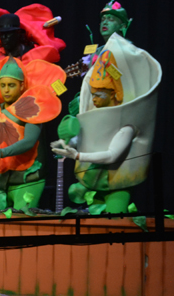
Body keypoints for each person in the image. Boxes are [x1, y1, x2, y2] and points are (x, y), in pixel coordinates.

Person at [50, 32, 161, 214]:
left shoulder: (126, 125)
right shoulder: (94, 115)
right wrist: (68, 143)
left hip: (117, 184)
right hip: (95, 184)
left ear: (113, 94)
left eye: (99, 95)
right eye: (92, 95)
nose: (94, 100)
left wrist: (77, 156)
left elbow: (112, 156)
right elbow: (87, 140)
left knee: (114, 222)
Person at [0, 56, 66, 214]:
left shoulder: (32, 107)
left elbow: (29, 141)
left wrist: (1, 153)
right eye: (3, 85)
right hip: (1, 181)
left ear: (21, 86)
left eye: (11, 85)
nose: (6, 90)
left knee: (21, 225)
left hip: (27, 180)